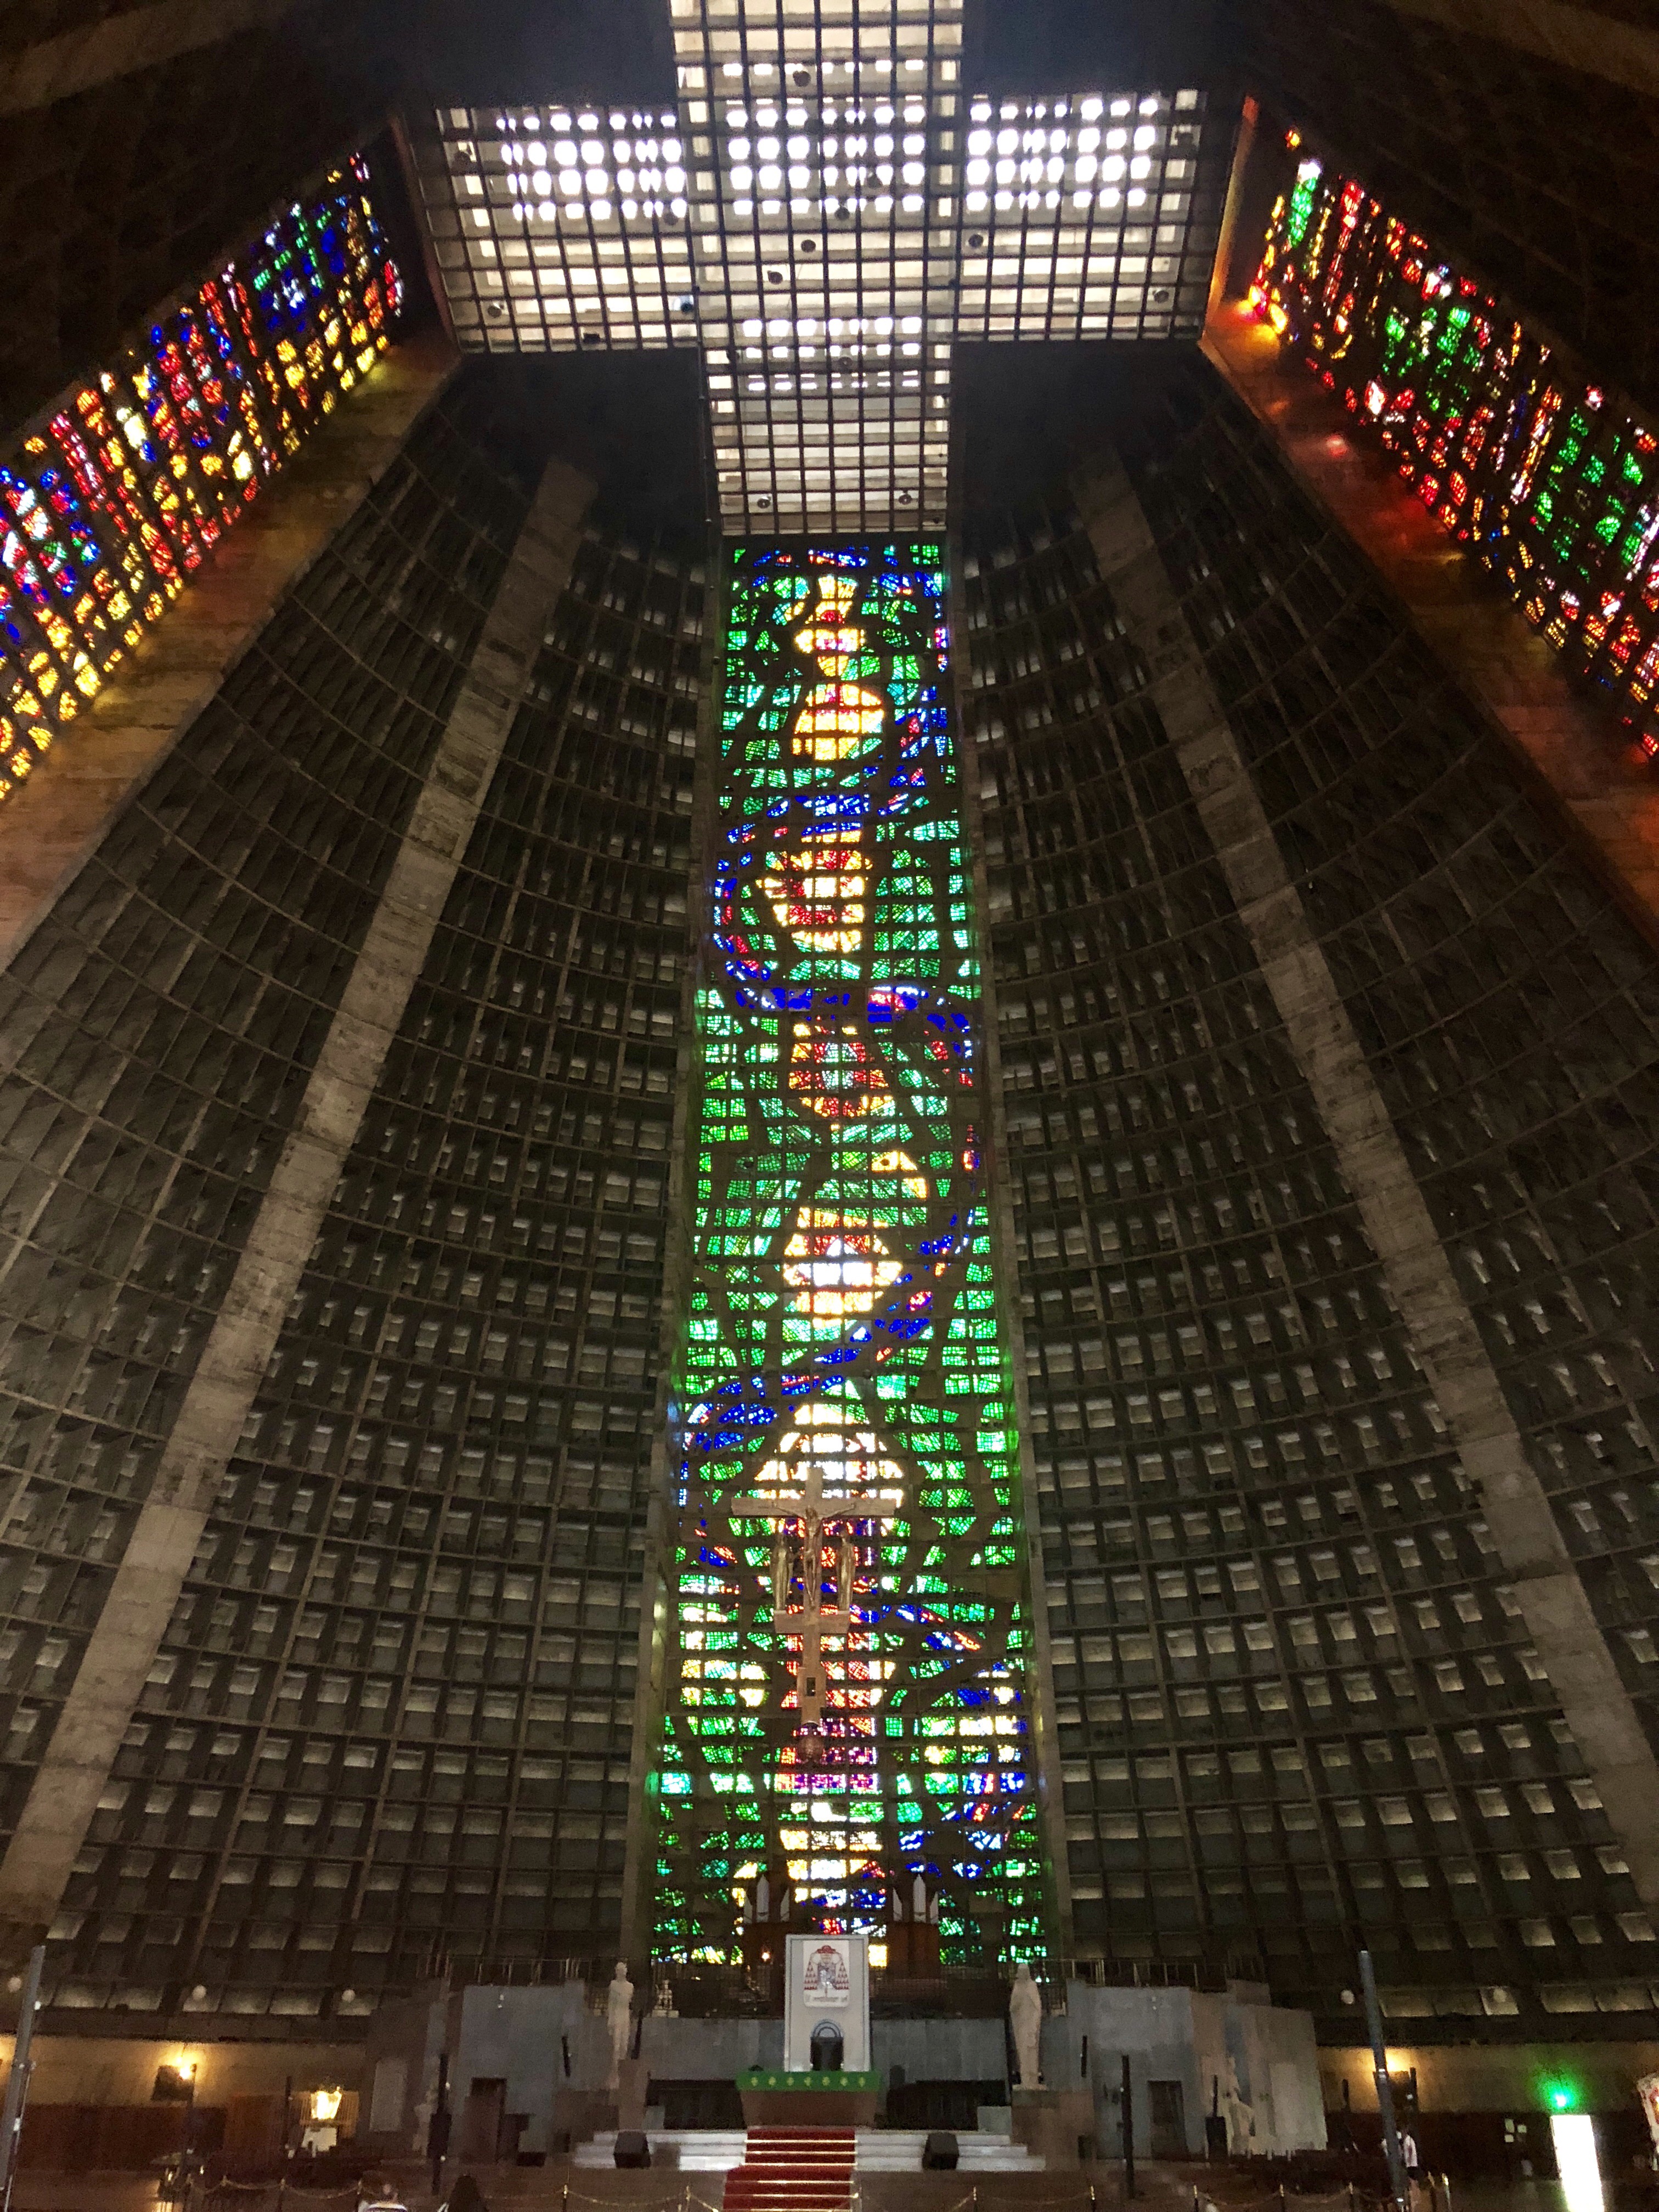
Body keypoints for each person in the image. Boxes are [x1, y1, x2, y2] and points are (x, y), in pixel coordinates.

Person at [426, 2103, 452, 2197]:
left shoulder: (435, 2119)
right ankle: (438, 2188)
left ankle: (436, 2188)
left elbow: (432, 2135)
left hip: (437, 2147)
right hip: (441, 2147)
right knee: (439, 2169)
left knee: (437, 2169)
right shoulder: (446, 2120)